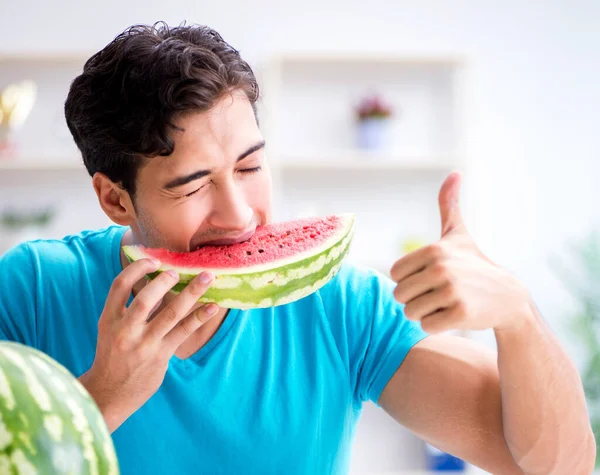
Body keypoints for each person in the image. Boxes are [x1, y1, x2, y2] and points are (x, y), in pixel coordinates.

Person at [0, 22, 594, 475]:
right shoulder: (30, 291)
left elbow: (555, 465)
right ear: (116, 201)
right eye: (194, 185)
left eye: (251, 165)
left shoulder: (337, 303)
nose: (239, 215)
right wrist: (100, 397)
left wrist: (517, 316)